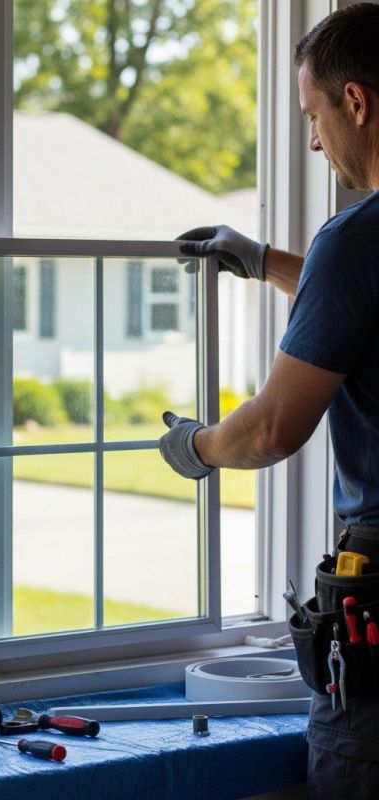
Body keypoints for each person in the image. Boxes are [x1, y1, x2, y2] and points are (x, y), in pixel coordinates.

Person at [158, 4, 379, 797]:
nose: (314, 142)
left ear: (356, 103)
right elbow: (359, 313)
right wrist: (264, 262)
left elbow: (271, 429)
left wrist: (196, 446)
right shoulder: (351, 253)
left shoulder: (356, 239)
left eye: (314, 117)